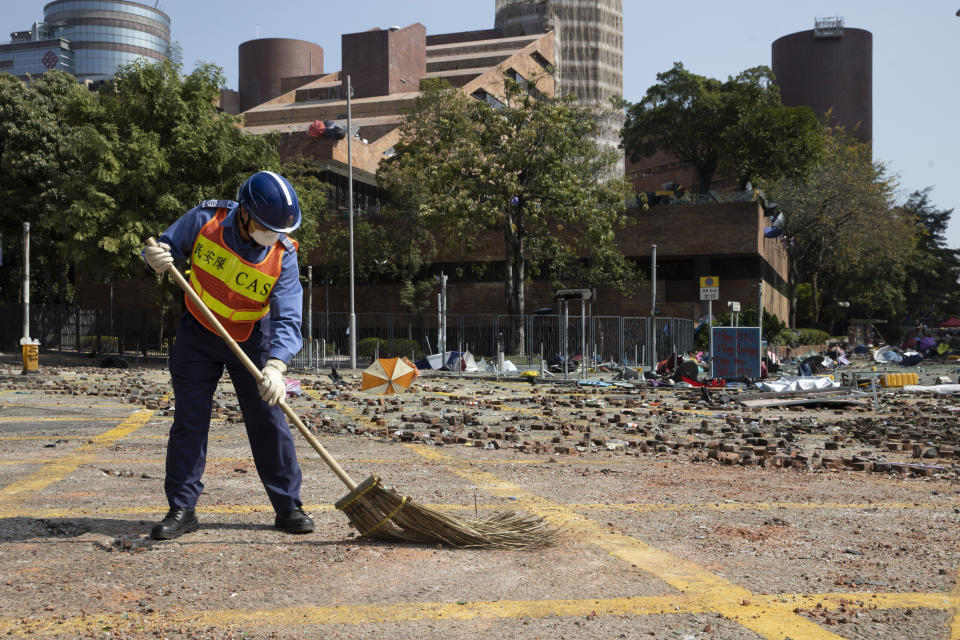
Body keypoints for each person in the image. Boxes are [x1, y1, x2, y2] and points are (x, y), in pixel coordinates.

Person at [142, 170, 313, 540]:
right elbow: (165, 247)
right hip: (198, 333)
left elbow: (288, 314)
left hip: (253, 339)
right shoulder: (207, 220)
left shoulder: (282, 255)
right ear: (246, 214)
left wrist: (277, 365)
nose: (273, 235)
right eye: (267, 226)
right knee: (190, 420)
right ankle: (182, 508)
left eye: (280, 230)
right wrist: (153, 257)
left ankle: (288, 507)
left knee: (270, 420)